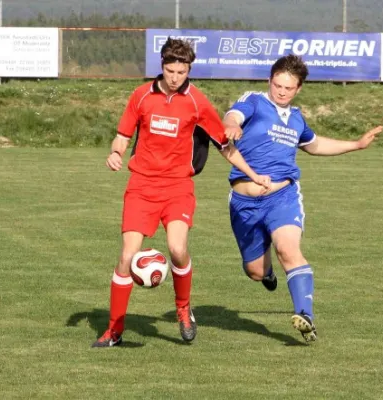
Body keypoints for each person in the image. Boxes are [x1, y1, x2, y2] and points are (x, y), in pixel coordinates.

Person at [92, 38, 271, 347]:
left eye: (181, 71)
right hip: (141, 187)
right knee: (125, 257)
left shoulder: (197, 102)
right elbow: (123, 135)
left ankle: (183, 308)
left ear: (189, 69)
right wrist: (116, 153)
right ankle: (114, 331)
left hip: (177, 187)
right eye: (170, 70)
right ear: (161, 66)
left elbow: (224, 146)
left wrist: (254, 174)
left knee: (177, 249)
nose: (175, 77)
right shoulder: (141, 96)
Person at [223, 54, 383, 343]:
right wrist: (232, 125)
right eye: (277, 85)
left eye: (288, 88)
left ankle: (305, 315)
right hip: (244, 202)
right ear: (269, 81)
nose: (281, 92)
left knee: (288, 249)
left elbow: (316, 144)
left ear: (298, 89)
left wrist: (357, 145)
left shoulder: (296, 119)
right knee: (255, 271)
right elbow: (233, 114)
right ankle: (267, 273)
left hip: (282, 196)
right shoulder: (256, 101)